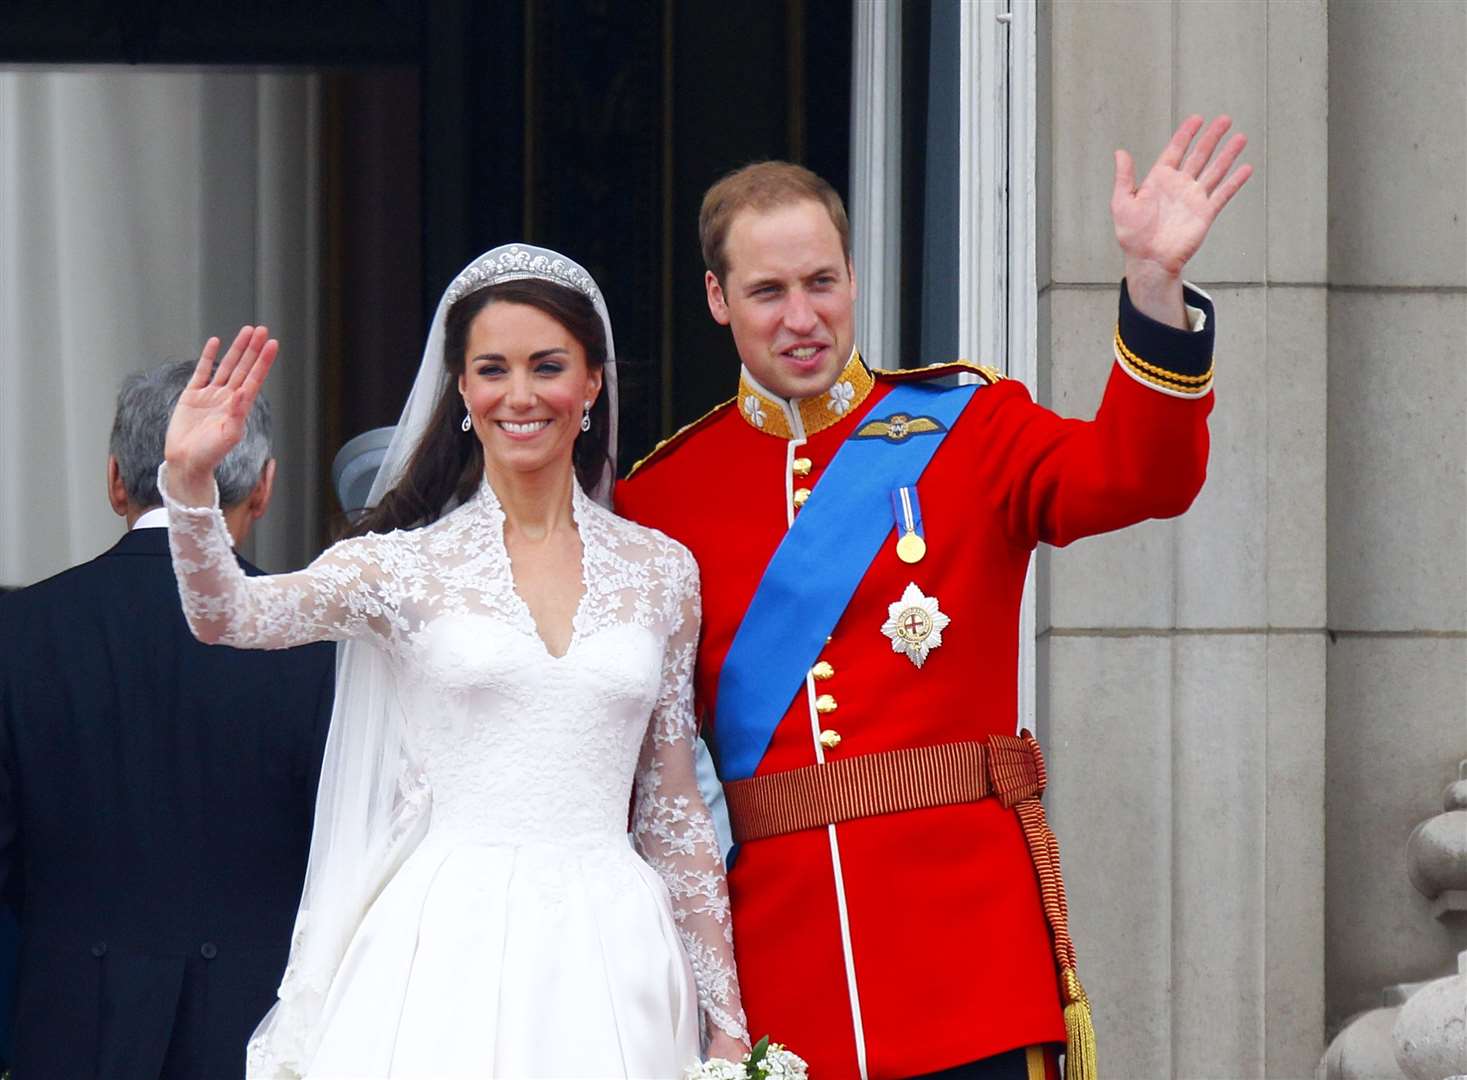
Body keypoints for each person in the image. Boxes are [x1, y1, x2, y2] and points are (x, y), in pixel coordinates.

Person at [615, 116, 1253, 1079]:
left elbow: (1139, 476)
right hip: (783, 984)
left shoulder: (969, 426)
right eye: (768, 291)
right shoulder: (660, 498)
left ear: (853, 277)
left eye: (821, 282)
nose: (802, 318)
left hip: (971, 970)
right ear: (716, 298)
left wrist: (1153, 287)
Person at [158, 245, 749, 1078]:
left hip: (616, 946)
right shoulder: (402, 566)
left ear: (590, 384)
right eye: (491, 369)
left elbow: (672, 804)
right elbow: (229, 616)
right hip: (445, 940)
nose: (520, 395)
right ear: (462, 392)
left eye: (547, 366)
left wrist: (725, 1021)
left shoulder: (661, 571)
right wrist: (188, 482)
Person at [0, 360, 335, 1079]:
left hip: (67, 1029)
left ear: (115, 478)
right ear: (266, 486)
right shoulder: (319, 646)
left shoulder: (16, 631)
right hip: (258, 1033)